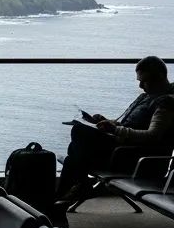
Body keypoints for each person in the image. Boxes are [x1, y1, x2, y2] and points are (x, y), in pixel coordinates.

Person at [55, 55, 174, 207]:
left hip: (130, 157)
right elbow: (129, 124)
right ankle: (67, 195)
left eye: (144, 81)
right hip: (121, 150)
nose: (141, 86)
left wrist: (115, 129)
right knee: (75, 151)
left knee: (78, 135)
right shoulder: (147, 97)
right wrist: (105, 121)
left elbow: (152, 136)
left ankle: (72, 191)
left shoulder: (165, 104)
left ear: (159, 77)